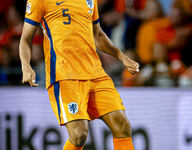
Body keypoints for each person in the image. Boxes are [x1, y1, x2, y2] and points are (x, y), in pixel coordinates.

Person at [19, 0, 139, 150]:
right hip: (65, 75)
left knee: (122, 124)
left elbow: (98, 36)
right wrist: (26, 66)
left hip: (96, 73)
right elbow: (25, 38)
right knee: (79, 135)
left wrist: (123, 58)